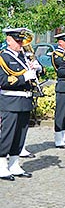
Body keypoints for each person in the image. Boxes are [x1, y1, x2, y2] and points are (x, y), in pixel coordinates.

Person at [0, 28, 38, 181]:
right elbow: (3, 80)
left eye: (21, 40)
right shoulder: (3, 58)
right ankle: (2, 165)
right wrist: (24, 77)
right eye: (17, 41)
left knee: (20, 135)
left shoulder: (23, 57)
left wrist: (36, 69)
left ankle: (14, 164)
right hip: (10, 101)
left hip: (24, 100)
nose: (20, 44)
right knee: (7, 135)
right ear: (9, 40)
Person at [52, 31, 65, 148]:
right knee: (61, 113)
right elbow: (61, 70)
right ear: (60, 42)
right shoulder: (57, 54)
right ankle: (58, 137)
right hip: (63, 86)